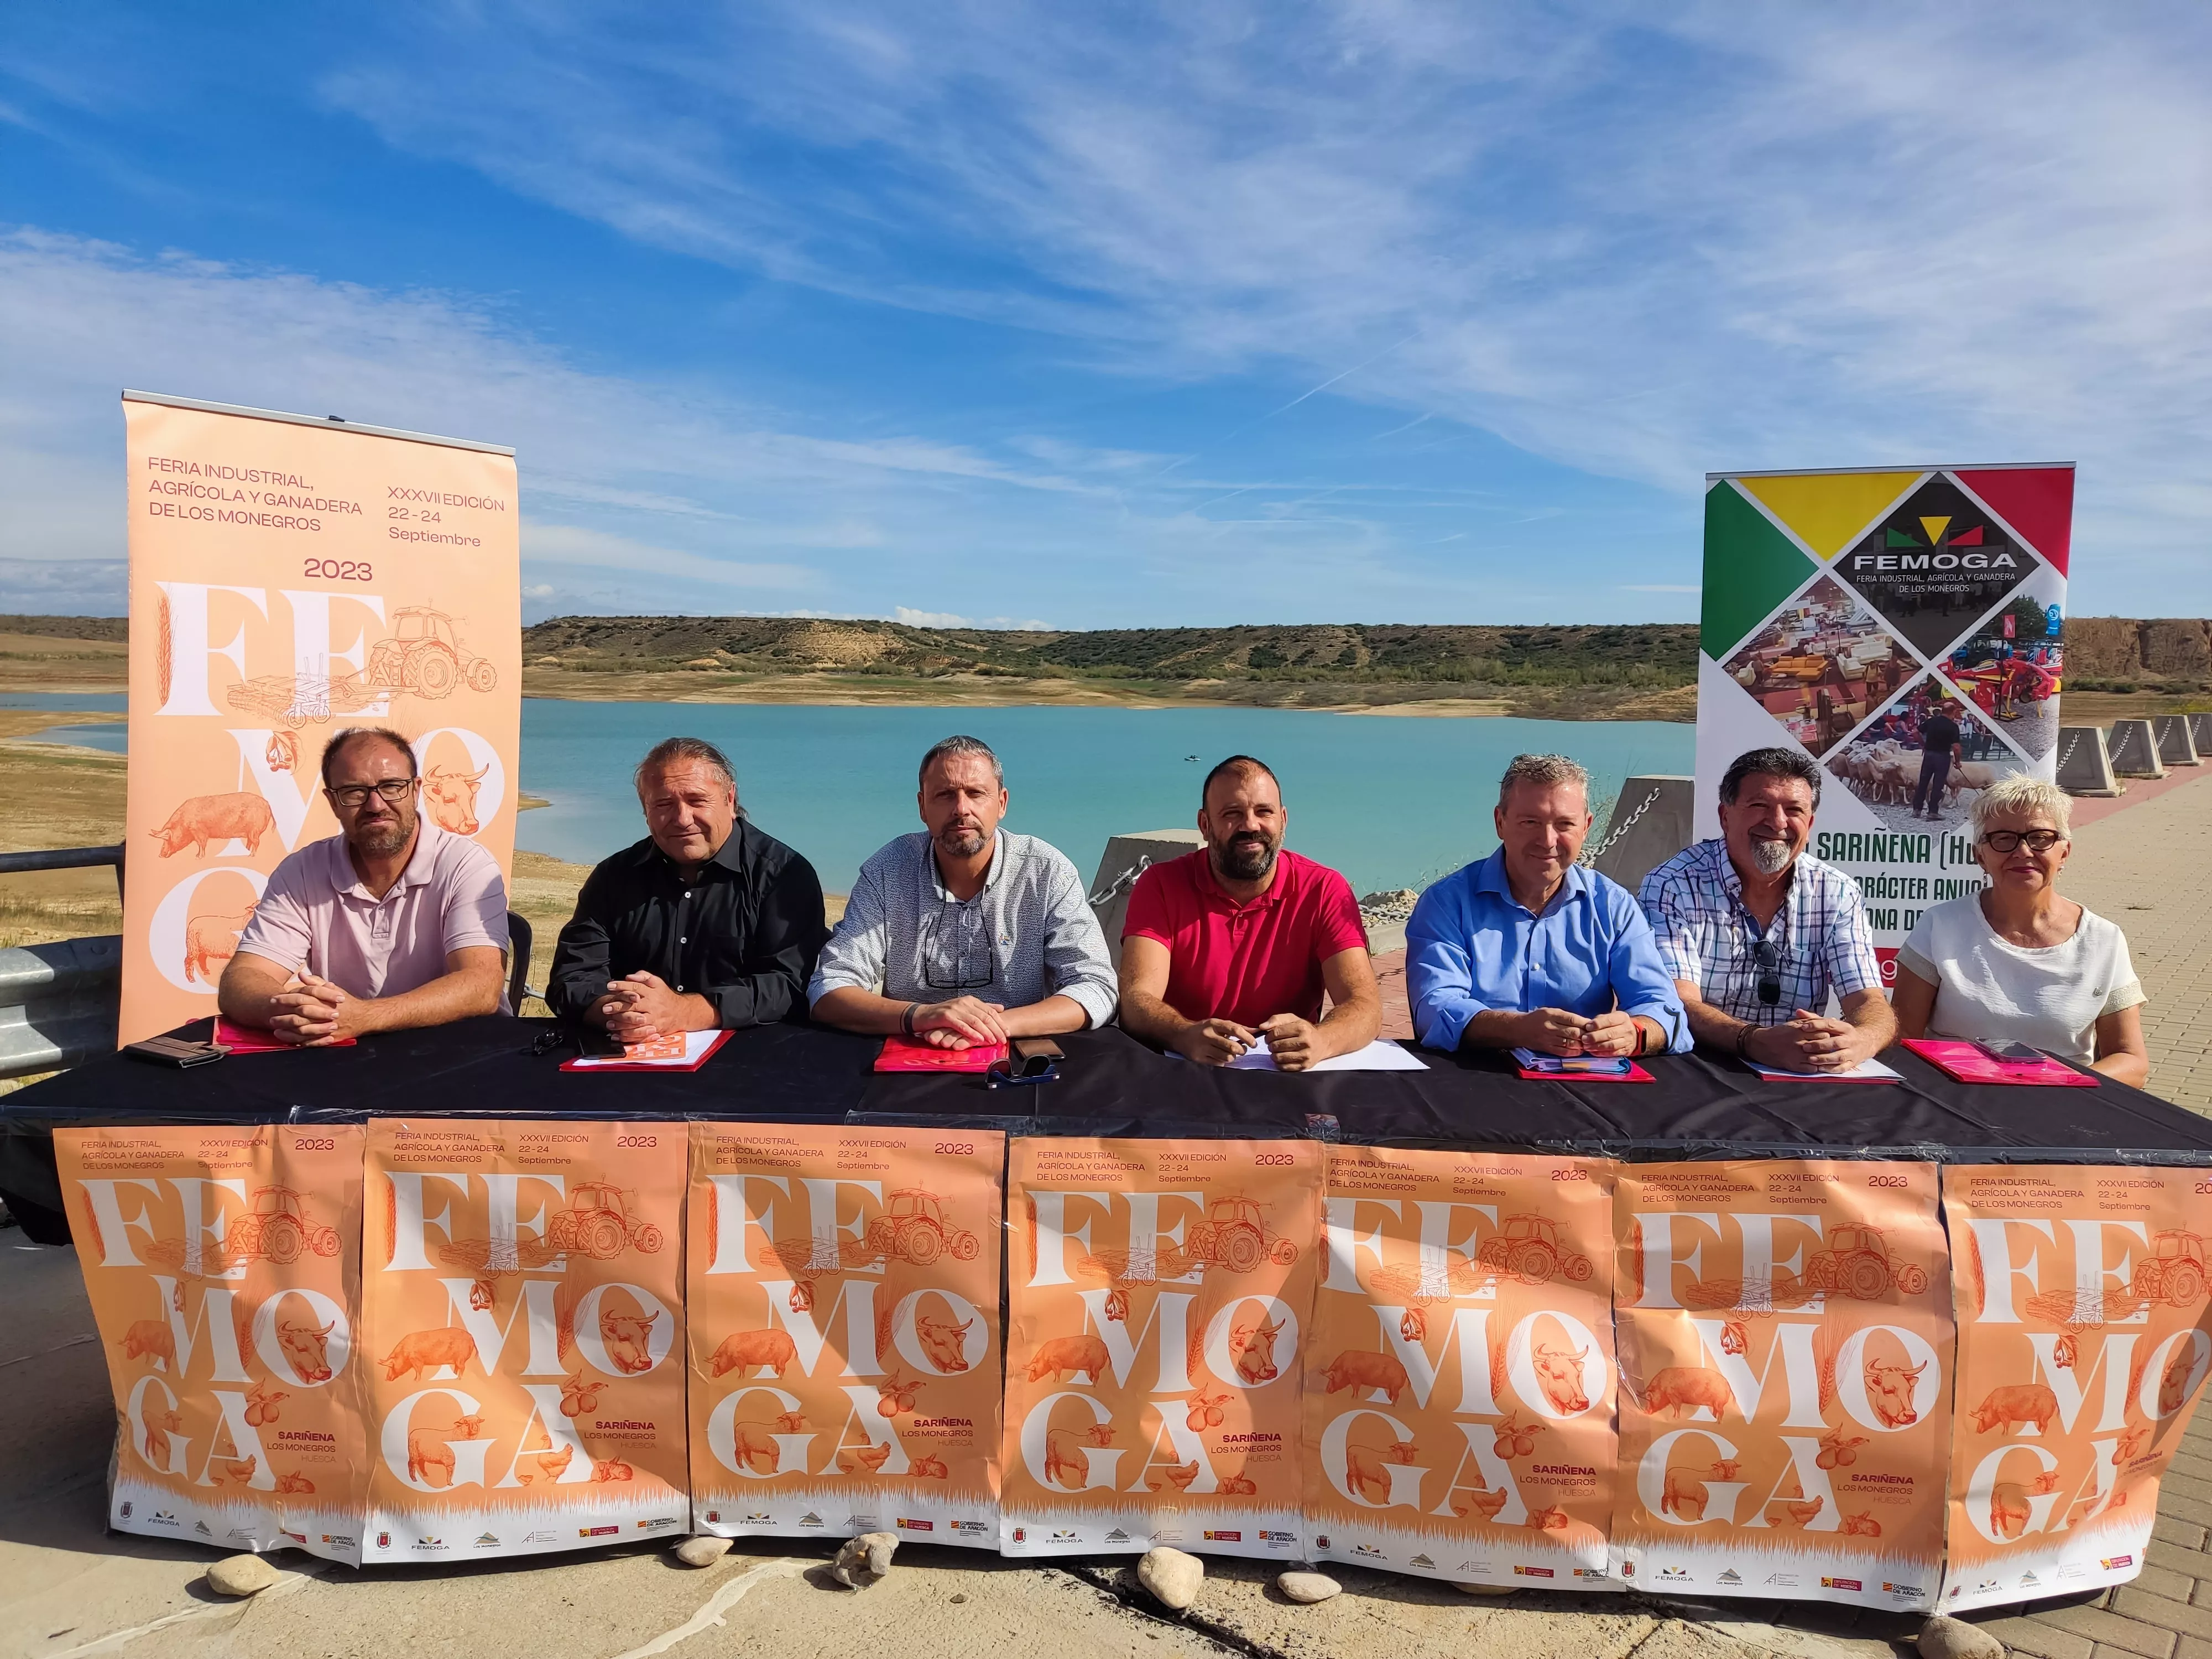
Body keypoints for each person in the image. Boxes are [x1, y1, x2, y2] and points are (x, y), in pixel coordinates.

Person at [809, 735, 1115, 1047]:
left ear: (1002, 803)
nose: (961, 809)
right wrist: (921, 1015)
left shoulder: (1046, 871)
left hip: (1016, 1053)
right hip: (910, 1053)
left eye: (976, 793)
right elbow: (829, 988)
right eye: (944, 795)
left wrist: (990, 1027)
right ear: (922, 806)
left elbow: (1096, 985)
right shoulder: (888, 870)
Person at [220, 726, 508, 1045]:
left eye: (391, 786)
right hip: (345, 1056)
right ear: (333, 802)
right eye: (355, 791)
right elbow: (241, 979)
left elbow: (481, 986)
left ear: (416, 791)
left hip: (459, 1055)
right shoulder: (302, 871)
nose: (376, 805)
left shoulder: (466, 865)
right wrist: (293, 1010)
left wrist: (364, 1018)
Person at [1407, 753, 1687, 1058]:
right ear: (1500, 822)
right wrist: (1519, 1030)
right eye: (1531, 822)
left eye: (1565, 824)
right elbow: (1434, 1008)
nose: (1548, 840)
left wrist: (1635, 1033)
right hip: (1475, 1080)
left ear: (1587, 827)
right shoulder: (1447, 903)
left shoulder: (1614, 906)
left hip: (1587, 1086)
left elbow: (1665, 1009)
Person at [547, 737, 827, 1042]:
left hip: (752, 1057)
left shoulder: (782, 875)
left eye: (697, 800)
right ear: (645, 809)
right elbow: (571, 978)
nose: (682, 819)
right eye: (664, 804)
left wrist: (685, 1013)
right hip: (630, 1053)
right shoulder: (613, 877)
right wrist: (619, 1014)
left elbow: (797, 983)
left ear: (730, 800)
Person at [1639, 747, 1895, 1073]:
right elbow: (1678, 1002)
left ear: (1810, 823)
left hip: (1797, 1071)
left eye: (1794, 810)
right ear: (1725, 816)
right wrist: (1755, 1040)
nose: (1777, 823)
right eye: (1760, 805)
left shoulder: (1838, 891)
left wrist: (1862, 1041)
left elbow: (1869, 1000)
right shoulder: (1673, 884)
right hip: (1698, 1068)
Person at [1117, 755, 1380, 1070]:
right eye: (1232, 814)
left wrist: (1323, 1041)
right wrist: (1182, 1034)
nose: (1251, 826)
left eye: (1264, 812)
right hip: (1185, 1070)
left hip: (1286, 1075)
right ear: (1205, 824)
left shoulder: (1324, 889)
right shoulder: (1160, 885)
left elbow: (1365, 1006)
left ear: (1283, 819)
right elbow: (1135, 1000)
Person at [1892, 775, 2148, 1085]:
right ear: (1980, 856)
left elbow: (2131, 1061)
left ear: (2064, 852)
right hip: (1960, 1106)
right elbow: (1903, 1038)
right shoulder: (1939, 926)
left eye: (2040, 837)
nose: (2023, 852)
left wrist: (2058, 1086)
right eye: (2002, 838)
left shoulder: (2104, 940)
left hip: (2066, 1109)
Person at [1913, 701, 1963, 820]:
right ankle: (1933, 812)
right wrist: (1958, 761)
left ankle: (1917, 810)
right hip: (1943, 756)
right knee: (1938, 784)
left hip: (1929, 755)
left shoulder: (1932, 721)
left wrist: (1923, 745)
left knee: (1923, 782)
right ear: (1954, 712)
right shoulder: (1953, 726)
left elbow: (1915, 732)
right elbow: (1956, 747)